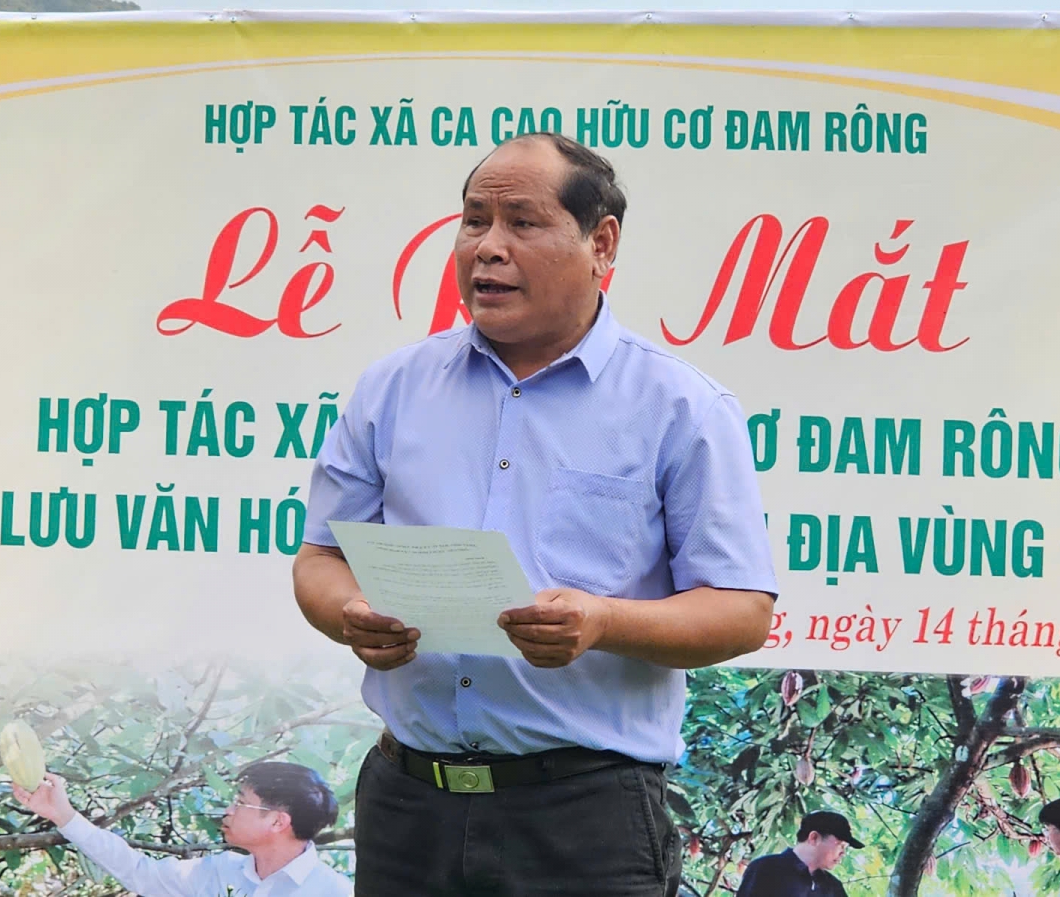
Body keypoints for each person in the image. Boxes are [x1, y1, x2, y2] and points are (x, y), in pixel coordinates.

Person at [292, 131, 778, 896]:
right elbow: (320, 559)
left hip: (585, 819)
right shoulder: (392, 388)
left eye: (521, 222)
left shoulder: (681, 406)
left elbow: (742, 611)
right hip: (407, 806)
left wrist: (604, 622)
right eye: (473, 219)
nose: (487, 248)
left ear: (601, 242)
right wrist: (350, 612)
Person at [11, 761, 352, 897]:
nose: (228, 810)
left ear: (278, 821)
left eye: (241, 801)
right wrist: (64, 815)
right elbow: (138, 871)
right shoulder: (218, 871)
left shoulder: (334, 892)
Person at [733, 811, 862, 897]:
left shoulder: (833, 887)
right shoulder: (766, 868)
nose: (843, 853)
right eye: (840, 845)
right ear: (814, 838)